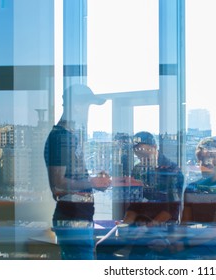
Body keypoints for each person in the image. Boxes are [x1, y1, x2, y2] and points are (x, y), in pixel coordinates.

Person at [44, 84, 111, 260]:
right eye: (88, 106)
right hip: (73, 221)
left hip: (78, 219)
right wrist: (92, 182)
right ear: (77, 106)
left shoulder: (67, 136)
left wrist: (94, 182)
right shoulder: (60, 138)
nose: (88, 112)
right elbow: (58, 186)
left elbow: (69, 181)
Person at [171, 137, 216, 259]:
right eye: (202, 159)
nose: (206, 163)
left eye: (211, 158)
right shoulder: (192, 188)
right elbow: (184, 225)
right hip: (193, 251)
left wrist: (183, 244)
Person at [123, 131, 184, 226]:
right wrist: (125, 225)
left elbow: (172, 207)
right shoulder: (137, 170)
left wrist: (149, 227)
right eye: (139, 157)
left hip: (164, 228)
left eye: (145, 157)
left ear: (155, 148)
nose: (142, 161)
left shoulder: (172, 170)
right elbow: (134, 204)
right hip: (141, 227)